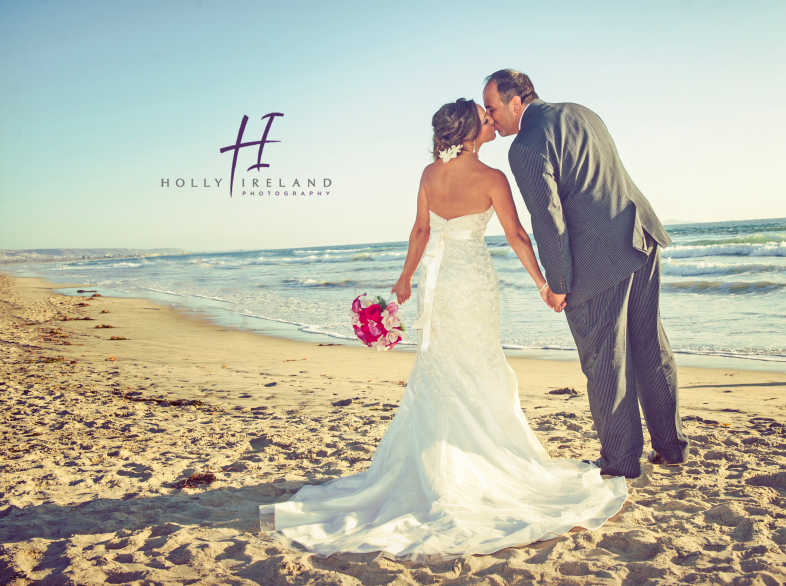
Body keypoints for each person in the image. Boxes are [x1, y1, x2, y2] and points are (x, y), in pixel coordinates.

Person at [259, 98, 628, 562]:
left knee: (439, 365)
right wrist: (545, 284)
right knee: (479, 363)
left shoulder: (429, 175)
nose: (491, 118)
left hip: (438, 280)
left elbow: (419, 231)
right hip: (471, 281)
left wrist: (404, 279)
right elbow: (517, 235)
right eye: (485, 115)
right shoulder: (493, 178)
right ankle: (471, 463)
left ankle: (437, 465)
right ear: (472, 131)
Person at [483, 69, 689, 479]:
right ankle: (671, 448)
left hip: (598, 261)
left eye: (493, 108)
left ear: (515, 102)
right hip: (639, 235)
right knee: (651, 344)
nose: (491, 118)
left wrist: (556, 284)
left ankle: (621, 463)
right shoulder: (582, 112)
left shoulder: (525, 144)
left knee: (605, 361)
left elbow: (548, 219)